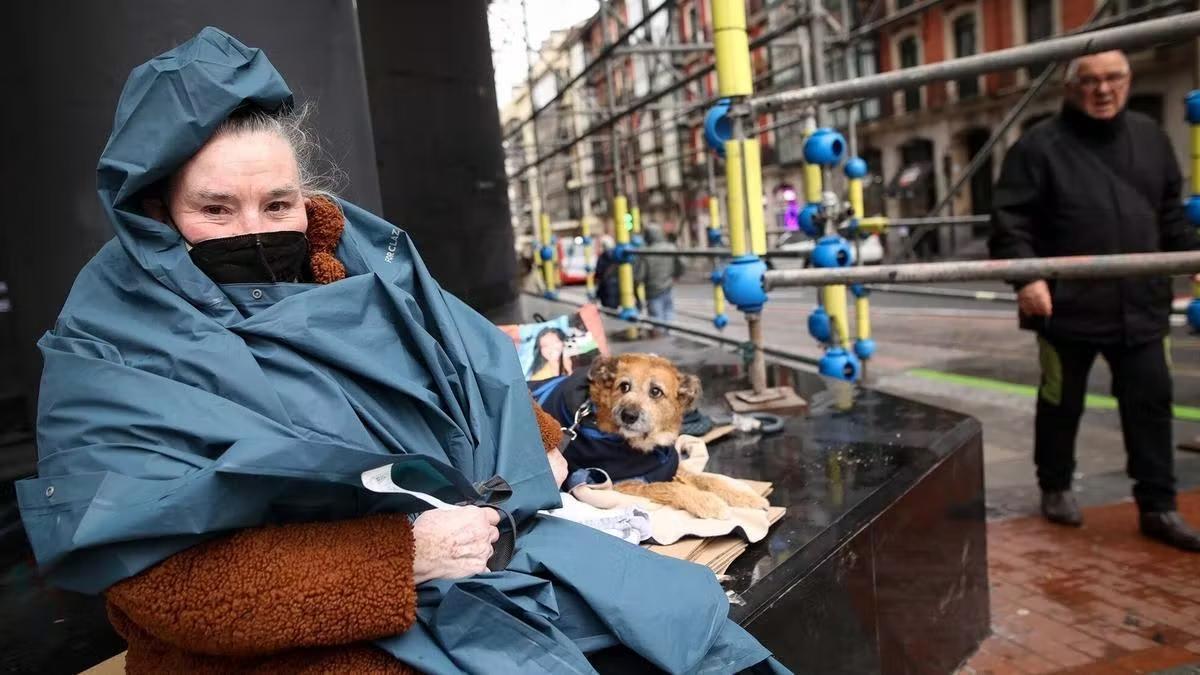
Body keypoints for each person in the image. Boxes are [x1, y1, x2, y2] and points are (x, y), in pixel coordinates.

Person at [17, 28, 785, 673]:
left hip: (469, 564)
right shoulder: (107, 347)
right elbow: (166, 584)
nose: (255, 229)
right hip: (295, 640)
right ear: (157, 211)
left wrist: (539, 444)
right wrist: (399, 557)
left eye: (277, 203)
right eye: (216, 208)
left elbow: (461, 357)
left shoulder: (353, 259)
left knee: (684, 631)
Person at [989, 50, 1200, 552]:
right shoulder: (1037, 147)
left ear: (1129, 79)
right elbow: (1009, 223)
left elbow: (1169, 214)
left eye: (1114, 77)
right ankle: (1055, 486)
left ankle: (1158, 506)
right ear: (1070, 87)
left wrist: (1190, 254)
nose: (1103, 89)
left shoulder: (1151, 137)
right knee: (1061, 402)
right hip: (1065, 308)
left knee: (1151, 405)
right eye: (1090, 80)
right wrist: (1027, 278)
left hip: (1141, 305)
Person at [636, 224, 685, 321]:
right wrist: (676, 276)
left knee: (657, 320)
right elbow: (681, 265)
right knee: (669, 314)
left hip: (652, 290)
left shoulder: (645, 252)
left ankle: (661, 331)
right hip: (668, 287)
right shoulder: (671, 248)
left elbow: (639, 276)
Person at [592, 234, 621, 309]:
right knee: (614, 308)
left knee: (607, 308)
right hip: (618, 285)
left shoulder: (602, 257)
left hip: (605, 286)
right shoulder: (618, 256)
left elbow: (598, 272)